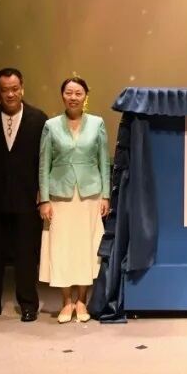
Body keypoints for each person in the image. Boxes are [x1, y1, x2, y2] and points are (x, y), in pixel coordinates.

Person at [0, 68, 48, 322]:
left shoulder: (38, 119)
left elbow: (46, 159)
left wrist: (44, 191)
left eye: (15, 89)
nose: (10, 94)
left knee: (26, 256)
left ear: (22, 88)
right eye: (5, 90)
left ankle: (28, 305)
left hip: (27, 198)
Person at [38, 76, 110, 323]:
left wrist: (106, 195)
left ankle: (82, 300)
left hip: (90, 194)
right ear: (62, 96)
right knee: (61, 247)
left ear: (85, 96)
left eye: (78, 93)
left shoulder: (97, 123)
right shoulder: (51, 125)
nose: (73, 97)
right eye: (69, 93)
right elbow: (44, 165)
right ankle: (66, 301)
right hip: (59, 195)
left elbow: (104, 161)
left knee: (86, 247)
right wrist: (44, 199)